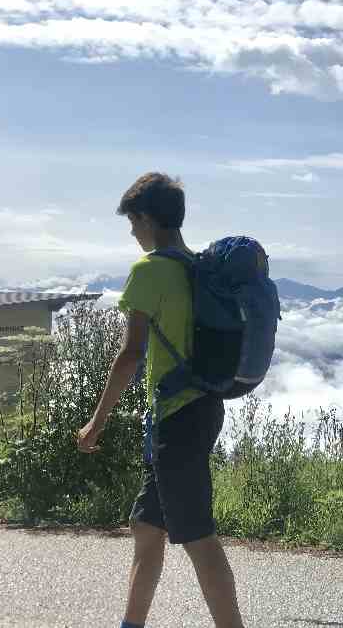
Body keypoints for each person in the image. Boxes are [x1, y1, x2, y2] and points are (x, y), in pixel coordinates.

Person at [76, 172, 244, 628]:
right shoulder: (198, 266)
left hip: (178, 419)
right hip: (201, 409)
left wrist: (98, 420)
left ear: (147, 218)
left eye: (133, 223)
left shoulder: (150, 270)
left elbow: (130, 355)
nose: (132, 233)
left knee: (198, 537)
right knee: (147, 528)